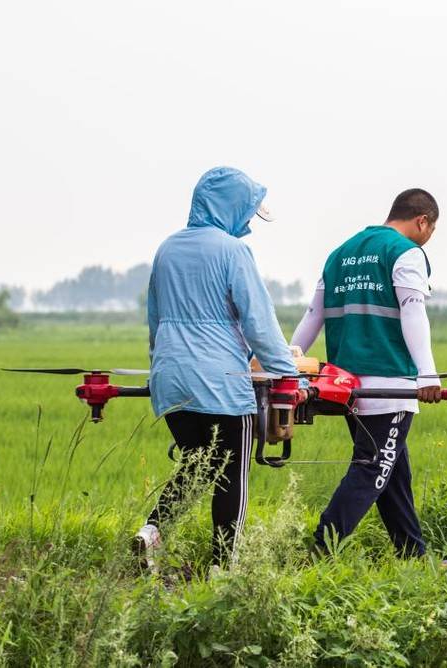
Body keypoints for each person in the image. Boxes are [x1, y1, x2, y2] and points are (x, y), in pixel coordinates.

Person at [134, 166, 298, 569]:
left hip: (171, 379)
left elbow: (156, 320)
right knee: (230, 475)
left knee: (196, 465)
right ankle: (223, 568)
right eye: (247, 212)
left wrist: (163, 366)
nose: (248, 223)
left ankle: (150, 534)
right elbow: (258, 319)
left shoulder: (167, 248)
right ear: (232, 207)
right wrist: (287, 372)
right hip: (222, 384)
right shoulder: (233, 251)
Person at [291, 188, 441, 558]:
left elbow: (314, 316)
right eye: (432, 228)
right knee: (372, 469)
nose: (429, 236)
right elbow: (412, 310)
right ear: (422, 221)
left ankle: (414, 557)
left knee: (392, 472)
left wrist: (290, 364)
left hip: (347, 386)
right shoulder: (405, 253)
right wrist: (428, 375)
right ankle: (319, 553)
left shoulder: (340, 254)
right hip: (389, 383)